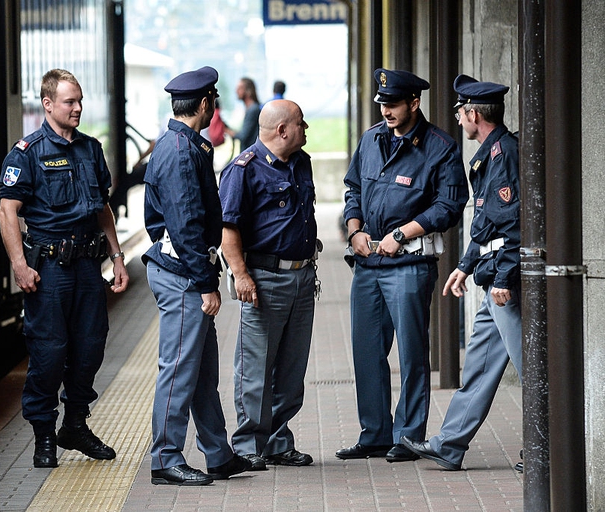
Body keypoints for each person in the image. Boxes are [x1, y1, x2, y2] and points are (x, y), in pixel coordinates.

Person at [0, 68, 130, 469]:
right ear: (48, 104)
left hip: (87, 267)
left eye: (80, 100)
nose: (78, 108)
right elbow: (7, 211)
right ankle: (44, 436)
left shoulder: (91, 149)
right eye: (70, 101)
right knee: (50, 353)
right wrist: (19, 265)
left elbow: (102, 208)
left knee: (90, 348)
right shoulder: (27, 152)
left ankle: (74, 425)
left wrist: (117, 258)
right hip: (49, 270)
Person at [335, 68, 469, 463]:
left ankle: (408, 436)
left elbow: (449, 205)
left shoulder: (440, 147)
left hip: (409, 264)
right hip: (368, 264)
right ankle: (375, 434)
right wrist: (353, 230)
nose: (386, 111)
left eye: (393, 104)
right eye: (383, 104)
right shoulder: (371, 139)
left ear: (414, 102)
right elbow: (353, 188)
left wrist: (402, 233)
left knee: (412, 354)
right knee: (366, 352)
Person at [402, 75, 521, 471]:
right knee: (479, 368)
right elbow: (487, 222)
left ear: (474, 115)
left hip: (505, 281)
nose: (457, 118)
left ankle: (551, 450)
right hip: (492, 275)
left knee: (533, 370)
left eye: (460, 112)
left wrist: (503, 278)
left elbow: (515, 225)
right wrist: (466, 266)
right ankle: (449, 444)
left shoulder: (504, 154)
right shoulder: (490, 154)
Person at [142, 66, 251, 486]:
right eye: (214, 102)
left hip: (182, 270)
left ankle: (218, 455)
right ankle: (165, 458)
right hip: (184, 276)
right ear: (205, 104)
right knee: (178, 370)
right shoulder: (181, 152)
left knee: (202, 372)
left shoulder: (180, 144)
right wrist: (206, 284)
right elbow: (186, 224)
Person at [219, 99, 318, 470]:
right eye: (301, 123)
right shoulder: (243, 170)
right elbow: (228, 229)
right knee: (255, 368)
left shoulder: (301, 162)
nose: (306, 129)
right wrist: (241, 274)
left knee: (292, 369)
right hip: (264, 281)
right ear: (282, 130)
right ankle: (248, 445)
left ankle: (278, 442)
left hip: (302, 277)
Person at [226, 77, 260, 150]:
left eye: (240, 88)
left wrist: (227, 131)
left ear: (248, 91)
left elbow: (243, 136)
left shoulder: (253, 110)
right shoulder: (251, 109)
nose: (236, 91)